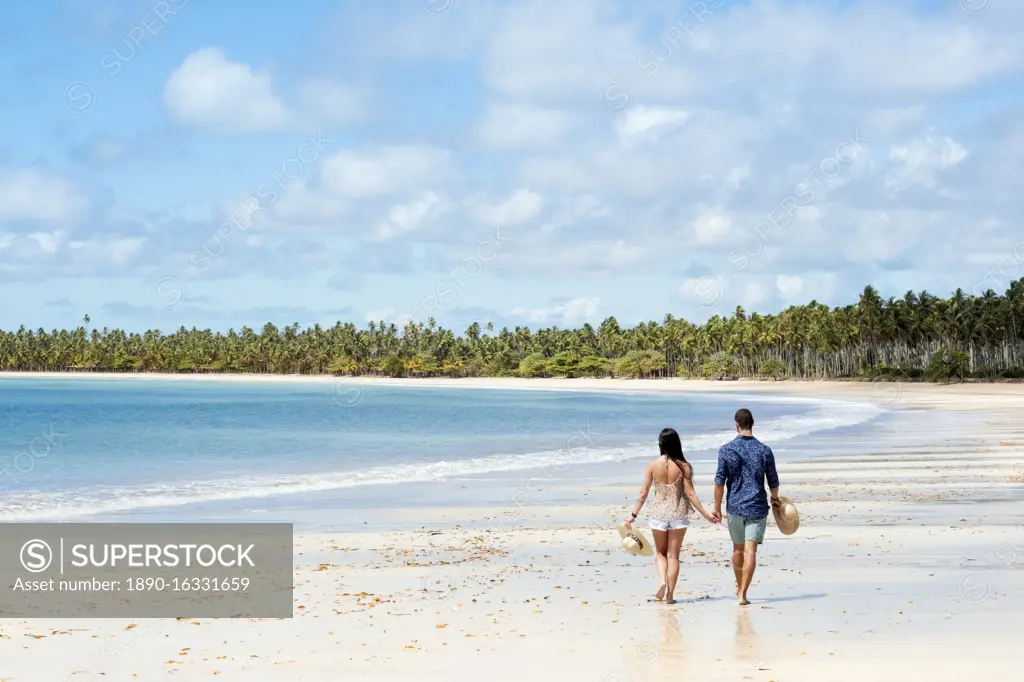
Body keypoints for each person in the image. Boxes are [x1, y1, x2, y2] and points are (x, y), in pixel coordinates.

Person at [625, 428, 717, 604]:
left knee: (660, 554)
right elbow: (690, 494)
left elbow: (643, 492)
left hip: (658, 514)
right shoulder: (684, 466)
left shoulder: (652, 465)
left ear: (660, 444)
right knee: (673, 556)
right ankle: (670, 596)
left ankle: (661, 582)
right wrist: (706, 514)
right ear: (677, 443)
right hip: (678, 514)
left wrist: (633, 515)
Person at [713, 408, 780, 605]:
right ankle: (743, 593)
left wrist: (716, 507)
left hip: (734, 506)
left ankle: (738, 585)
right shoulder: (764, 450)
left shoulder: (726, 450)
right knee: (751, 552)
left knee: (737, 550)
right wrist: (774, 499)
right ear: (753, 423)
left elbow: (719, 482)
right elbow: (773, 481)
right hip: (757, 506)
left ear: (736, 425)